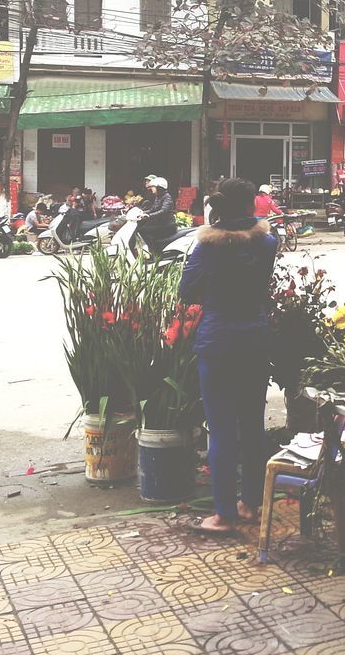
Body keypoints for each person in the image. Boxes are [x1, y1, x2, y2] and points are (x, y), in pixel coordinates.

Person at [178, 177, 279, 534]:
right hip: (255, 337)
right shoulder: (268, 243)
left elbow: (186, 290)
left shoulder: (206, 247)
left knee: (220, 429)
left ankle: (223, 514)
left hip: (218, 340)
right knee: (253, 424)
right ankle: (251, 504)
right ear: (252, 205)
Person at [138, 175, 177, 252]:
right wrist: (142, 213)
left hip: (167, 225)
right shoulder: (158, 197)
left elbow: (163, 211)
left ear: (159, 188)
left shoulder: (167, 197)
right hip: (160, 223)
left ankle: (155, 251)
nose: (151, 189)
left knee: (144, 230)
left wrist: (149, 216)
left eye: (153, 187)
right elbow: (153, 209)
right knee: (142, 228)